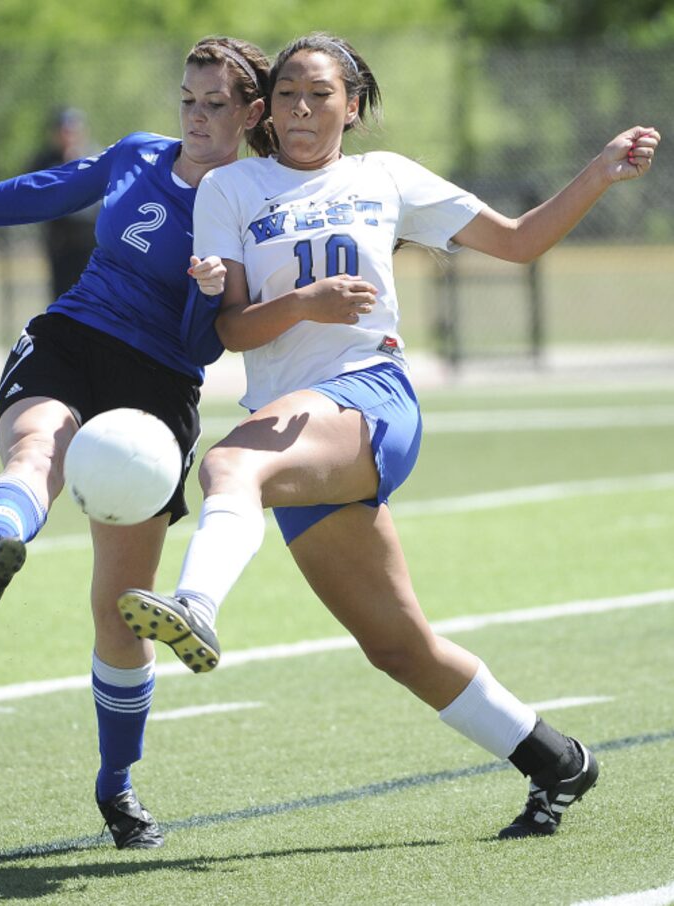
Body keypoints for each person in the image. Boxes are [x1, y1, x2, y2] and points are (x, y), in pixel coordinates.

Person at [118, 33, 661, 840]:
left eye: (321, 94)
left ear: (354, 105)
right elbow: (231, 328)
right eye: (289, 93)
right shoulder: (231, 190)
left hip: (370, 397)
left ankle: (195, 602)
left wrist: (601, 171)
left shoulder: (386, 178)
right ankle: (557, 760)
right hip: (292, 426)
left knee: (227, 464)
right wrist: (305, 304)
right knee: (399, 648)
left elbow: (519, 241)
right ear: (267, 108)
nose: (303, 109)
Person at [0, 36, 272, 848]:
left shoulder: (250, 204)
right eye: (188, 101)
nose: (197, 118)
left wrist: (204, 296)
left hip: (158, 387)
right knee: (34, 452)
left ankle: (116, 786)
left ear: (252, 114)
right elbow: (42, 190)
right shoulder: (136, 156)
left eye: (216, 105)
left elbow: (209, 344)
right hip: (71, 337)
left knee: (122, 613)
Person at [29, 107, 100, 301]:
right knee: (61, 296)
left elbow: (97, 202)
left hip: (90, 243)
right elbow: (37, 196)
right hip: (60, 242)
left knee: (91, 296)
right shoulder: (45, 161)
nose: (68, 135)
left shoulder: (95, 157)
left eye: (73, 130)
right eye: (64, 130)